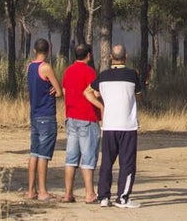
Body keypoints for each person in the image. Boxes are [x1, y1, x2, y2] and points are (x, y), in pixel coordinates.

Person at [85, 44, 144, 209]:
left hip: (109, 124)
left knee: (107, 162)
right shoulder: (132, 75)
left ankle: (103, 196)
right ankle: (122, 198)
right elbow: (138, 96)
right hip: (127, 125)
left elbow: (87, 91)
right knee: (127, 163)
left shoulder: (103, 76)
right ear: (126, 57)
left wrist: (101, 105)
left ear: (111, 57)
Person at [61, 42, 100, 204]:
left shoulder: (68, 71)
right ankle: (89, 193)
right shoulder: (89, 72)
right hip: (87, 117)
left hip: (71, 118)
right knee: (88, 157)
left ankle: (68, 193)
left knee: (71, 158)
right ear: (89, 55)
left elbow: (64, 91)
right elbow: (95, 93)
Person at [26, 38, 62, 201]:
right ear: (48, 51)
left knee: (34, 152)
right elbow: (59, 91)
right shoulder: (46, 67)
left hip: (34, 114)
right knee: (43, 155)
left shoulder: (30, 67)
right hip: (46, 114)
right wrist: (55, 89)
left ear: (35, 50)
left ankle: (30, 190)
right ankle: (43, 191)